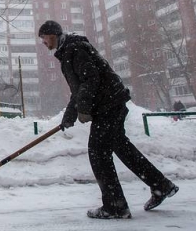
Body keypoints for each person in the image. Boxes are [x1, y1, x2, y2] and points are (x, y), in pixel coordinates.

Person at [38, 20, 178, 220]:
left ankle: (115, 206)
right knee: (121, 147)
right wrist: (69, 116)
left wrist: (84, 109)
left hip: (109, 105)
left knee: (98, 153)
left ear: (52, 35)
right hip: (111, 103)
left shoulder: (74, 48)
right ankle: (161, 185)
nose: (43, 43)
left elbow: (91, 78)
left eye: (43, 38)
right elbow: (78, 90)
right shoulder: (69, 50)